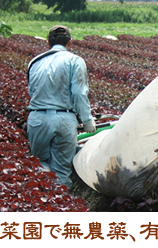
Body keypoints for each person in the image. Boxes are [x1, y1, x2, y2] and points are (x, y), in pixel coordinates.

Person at [26, 25, 96, 189]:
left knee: (39, 163)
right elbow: (79, 93)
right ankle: (62, 202)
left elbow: (32, 90)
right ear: (70, 42)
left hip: (37, 118)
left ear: (47, 43)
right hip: (64, 119)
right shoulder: (74, 60)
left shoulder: (34, 62)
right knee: (62, 171)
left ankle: (40, 199)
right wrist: (87, 120)